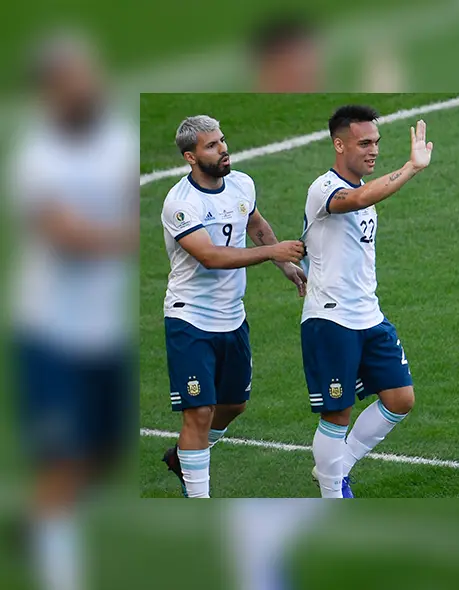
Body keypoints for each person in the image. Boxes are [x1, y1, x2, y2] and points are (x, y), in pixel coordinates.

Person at [10, 29, 136, 590]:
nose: (86, 85)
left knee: (103, 458)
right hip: (51, 335)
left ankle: (38, 521)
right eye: (72, 79)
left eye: (88, 74)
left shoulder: (117, 141)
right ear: (51, 92)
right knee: (63, 461)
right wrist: (132, 237)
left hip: (105, 333)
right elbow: (63, 234)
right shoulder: (37, 158)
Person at [159, 114, 307, 498]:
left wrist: (284, 264)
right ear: (190, 157)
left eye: (222, 140)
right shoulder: (180, 204)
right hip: (190, 318)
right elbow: (209, 256)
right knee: (199, 411)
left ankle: (185, 456)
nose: (223, 148)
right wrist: (270, 252)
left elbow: (255, 225)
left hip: (232, 316)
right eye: (212, 145)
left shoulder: (242, 184)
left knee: (235, 404)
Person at [300, 105, 433, 498]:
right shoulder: (324, 188)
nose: (373, 150)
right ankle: (332, 494)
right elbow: (353, 201)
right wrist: (410, 168)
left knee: (400, 398)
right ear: (339, 145)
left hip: (368, 315)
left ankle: (339, 468)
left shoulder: (364, 192)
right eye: (364, 143)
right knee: (337, 414)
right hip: (331, 320)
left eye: (376, 142)